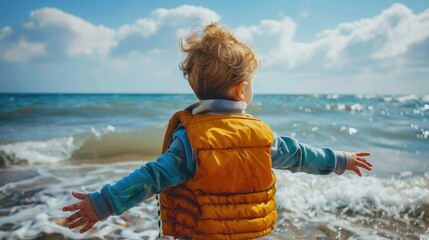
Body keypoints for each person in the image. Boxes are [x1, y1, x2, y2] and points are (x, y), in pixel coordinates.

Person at [62, 23, 372, 239]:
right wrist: (339, 160)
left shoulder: (192, 139)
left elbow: (152, 177)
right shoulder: (262, 135)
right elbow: (300, 156)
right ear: (242, 90)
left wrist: (103, 203)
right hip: (251, 234)